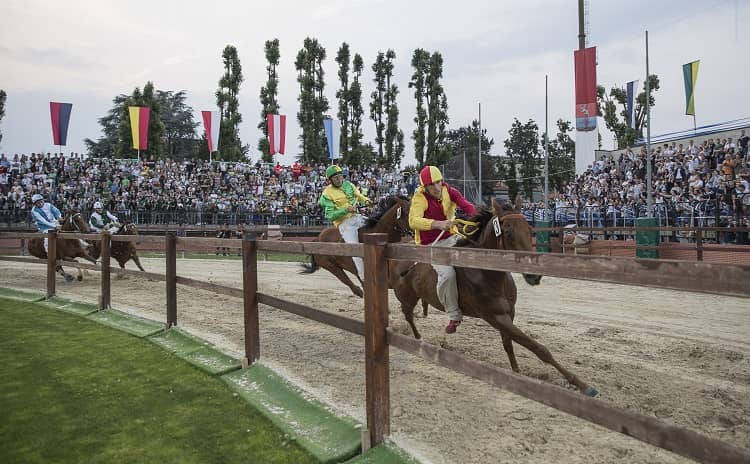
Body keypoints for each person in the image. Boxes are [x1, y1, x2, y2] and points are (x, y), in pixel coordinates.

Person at [409, 166, 476, 334]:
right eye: (432, 185)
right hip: (431, 245)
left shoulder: (450, 190)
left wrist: (476, 216)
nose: (437, 188)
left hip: (452, 237)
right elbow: (413, 221)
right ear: (425, 187)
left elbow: (466, 205)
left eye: (439, 182)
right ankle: (454, 315)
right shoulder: (419, 198)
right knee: (447, 274)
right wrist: (437, 224)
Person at [318, 164, 370, 282]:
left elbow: (359, 195)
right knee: (355, 249)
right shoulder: (327, 194)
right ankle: (364, 278)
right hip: (345, 224)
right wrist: (345, 210)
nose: (339, 180)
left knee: (378, 224)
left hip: (357, 217)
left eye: (341, 177)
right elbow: (330, 215)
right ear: (330, 180)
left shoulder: (349, 185)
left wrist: (366, 201)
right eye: (336, 178)